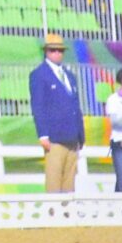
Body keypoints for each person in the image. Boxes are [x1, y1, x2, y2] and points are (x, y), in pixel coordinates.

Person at [31, 33, 85, 194]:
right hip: (54, 137)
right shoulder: (39, 75)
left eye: (60, 50)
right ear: (46, 51)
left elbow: (75, 105)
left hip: (72, 137)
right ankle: (54, 215)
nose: (57, 53)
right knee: (54, 181)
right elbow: (38, 105)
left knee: (69, 182)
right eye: (53, 50)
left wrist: (80, 134)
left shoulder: (70, 76)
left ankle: (68, 214)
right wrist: (43, 134)